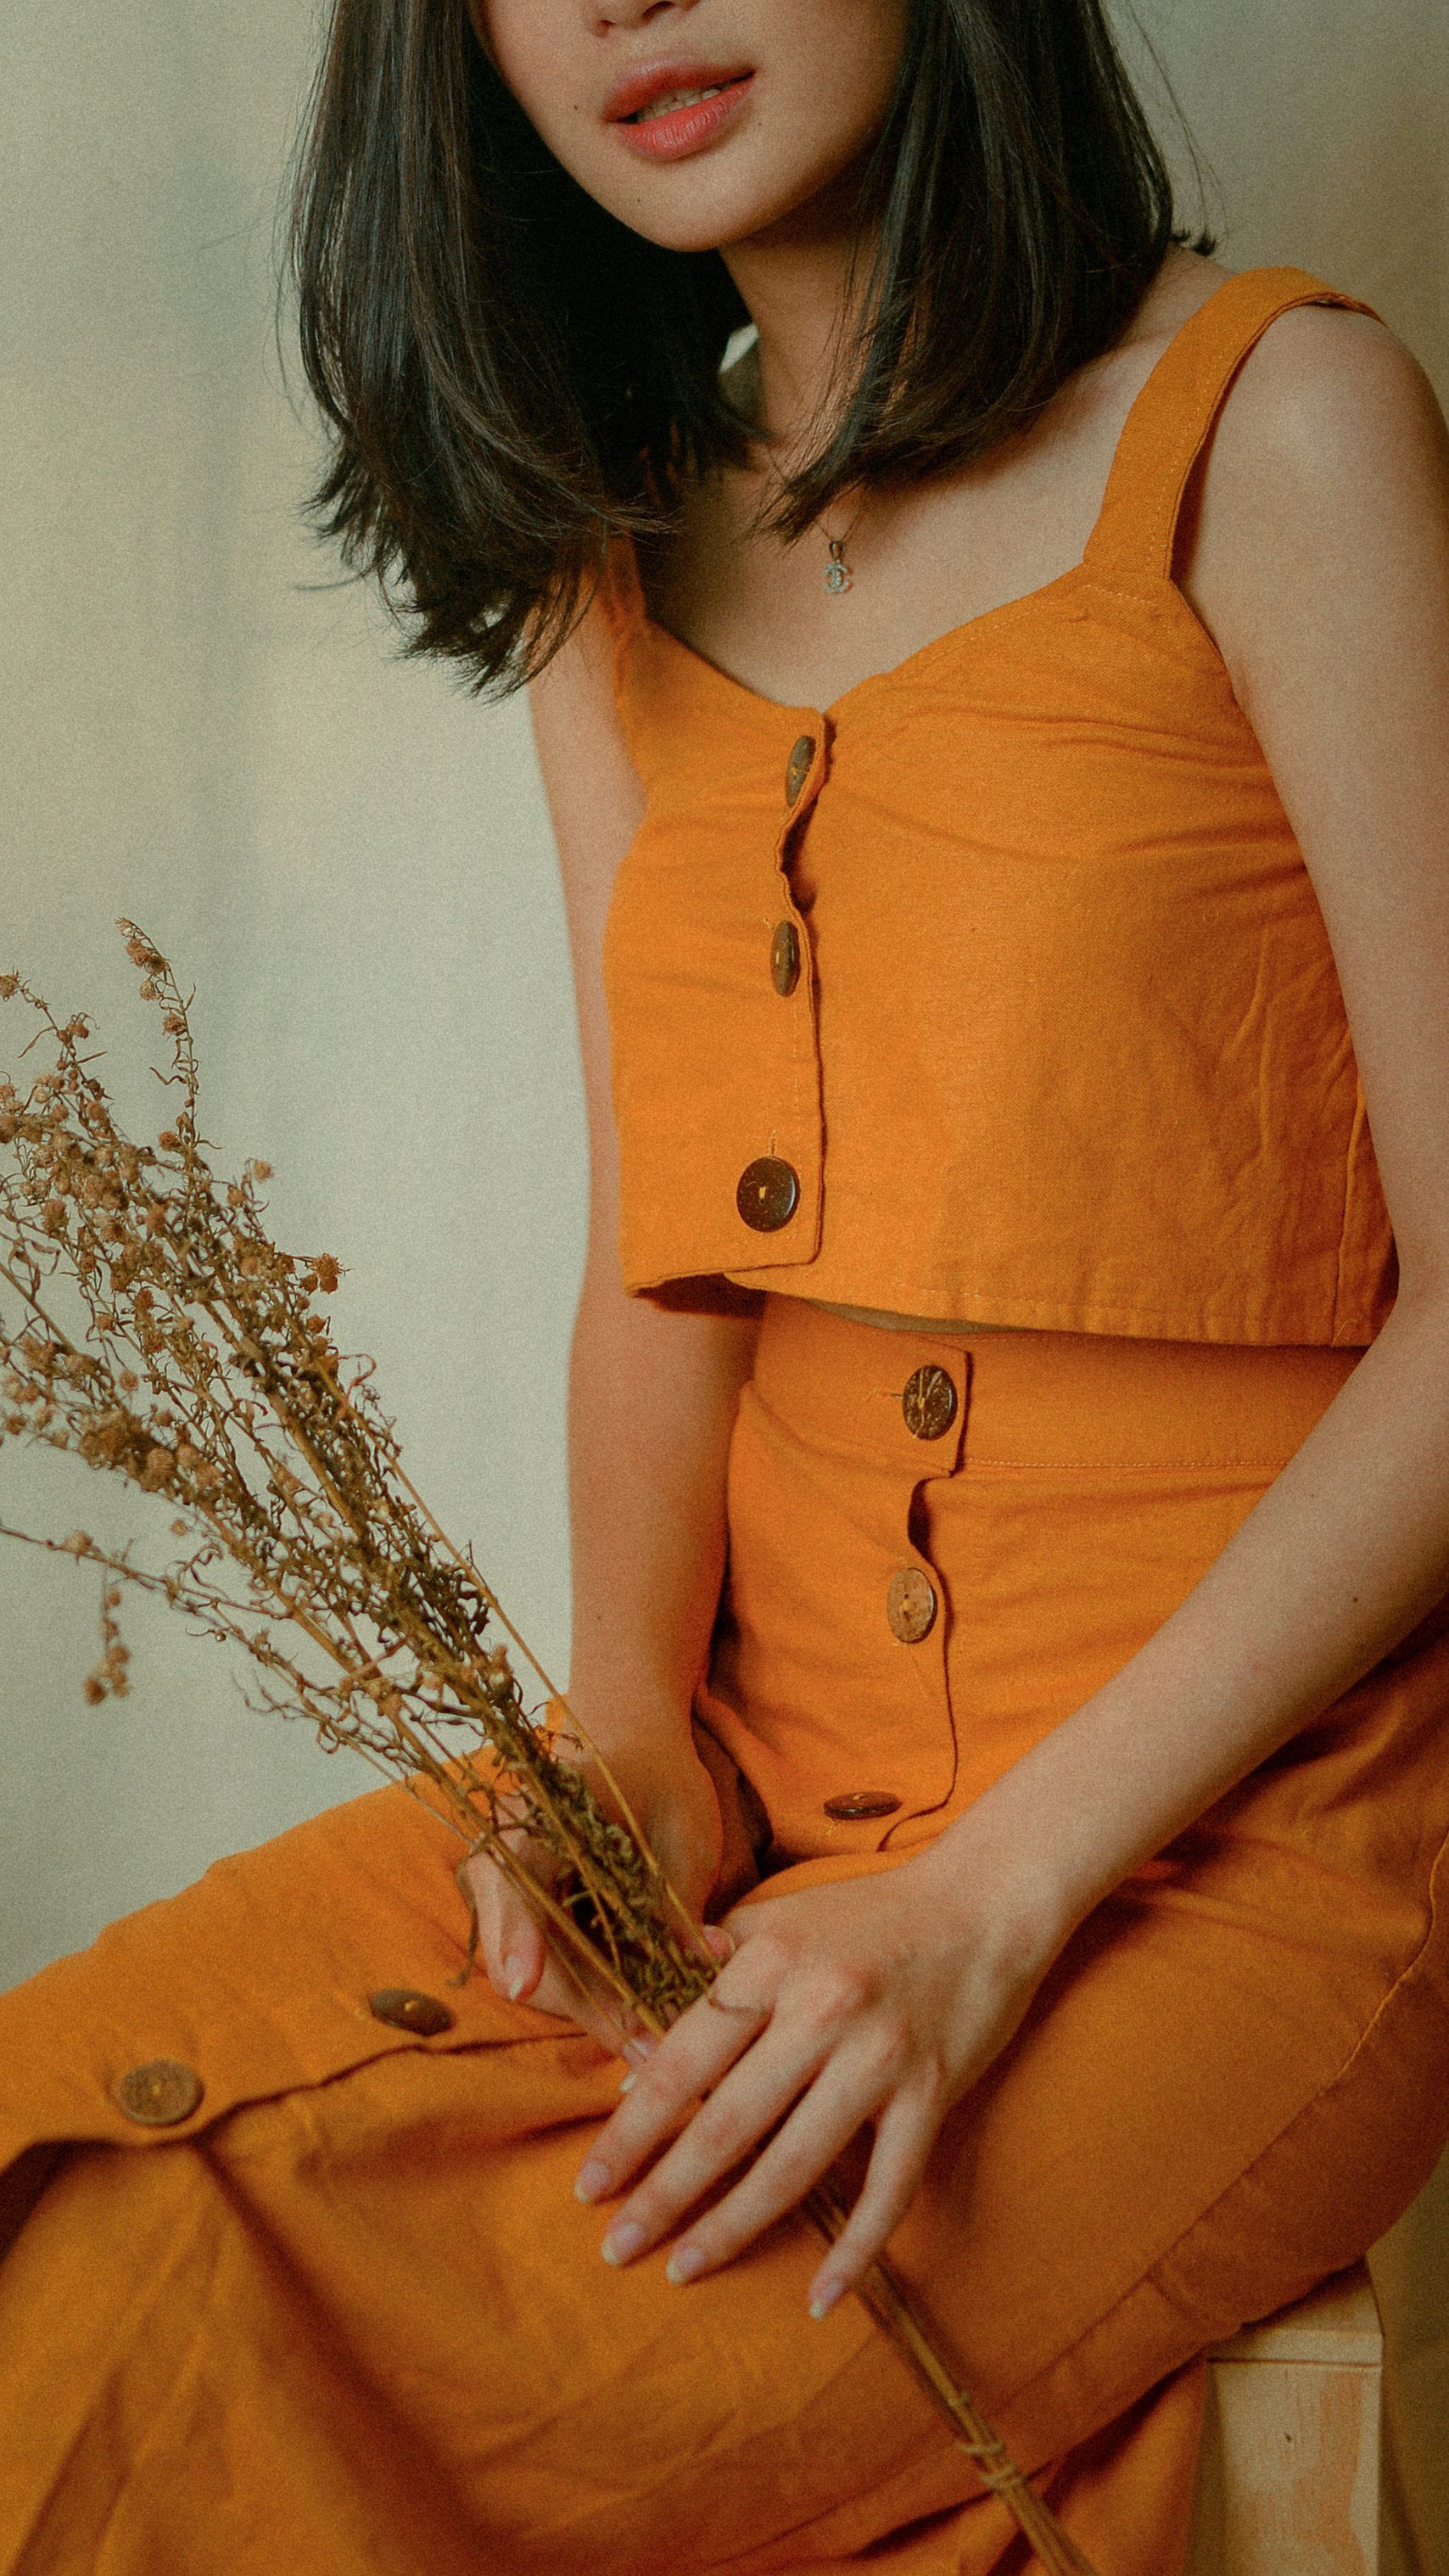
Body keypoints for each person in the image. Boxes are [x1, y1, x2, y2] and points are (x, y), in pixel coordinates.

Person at [3, 3, 1448, 2570]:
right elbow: (656, 1256)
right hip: (753, 1763)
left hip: (1244, 1851)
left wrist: (985, 1909)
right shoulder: (608, 535)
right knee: (74, 2181)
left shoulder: (1280, 425)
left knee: (371, 2365)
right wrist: (632, 1738)